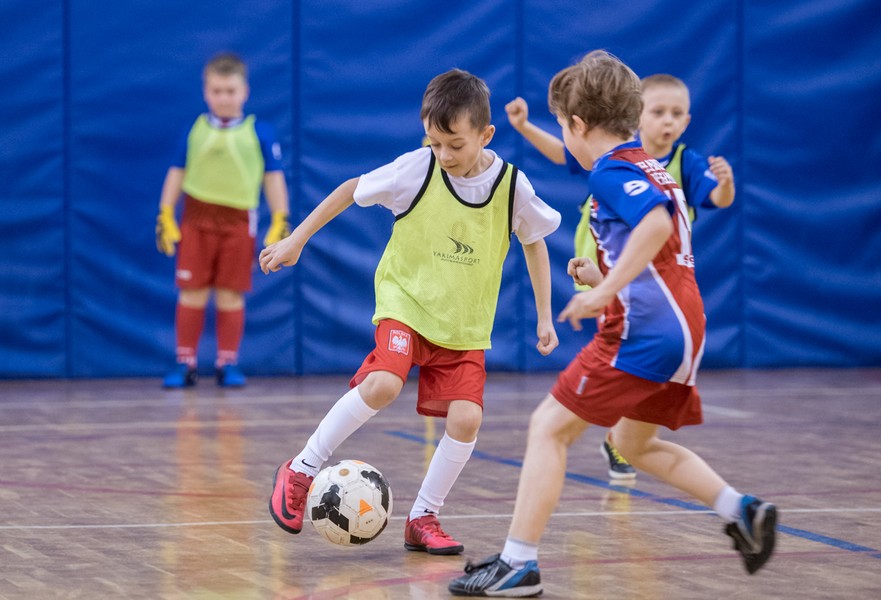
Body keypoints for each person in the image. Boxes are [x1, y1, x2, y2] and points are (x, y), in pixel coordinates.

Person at [450, 50, 776, 597]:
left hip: (644, 330)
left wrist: (603, 291)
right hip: (686, 326)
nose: (564, 136)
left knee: (548, 428)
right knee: (633, 443)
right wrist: (602, 273)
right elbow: (659, 253)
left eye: (561, 125)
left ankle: (517, 564)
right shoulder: (651, 165)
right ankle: (740, 510)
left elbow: (655, 224)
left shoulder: (611, 170)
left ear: (577, 125)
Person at [259, 69, 561, 555]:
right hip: (407, 303)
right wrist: (297, 239)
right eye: (435, 143)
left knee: (467, 419)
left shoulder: (511, 186)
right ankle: (301, 469)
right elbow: (350, 189)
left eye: (455, 145)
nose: (444, 155)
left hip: (463, 323)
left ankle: (423, 517)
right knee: (383, 383)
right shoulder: (418, 169)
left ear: (486, 135)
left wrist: (544, 316)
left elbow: (536, 242)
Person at [504, 73, 735, 481]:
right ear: (637, 116)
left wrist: (726, 184)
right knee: (625, 412)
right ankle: (726, 500)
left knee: (553, 423)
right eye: (658, 111)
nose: (667, 120)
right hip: (631, 281)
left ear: (687, 121)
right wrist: (524, 127)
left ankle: (616, 438)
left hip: (648, 290)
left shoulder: (663, 165)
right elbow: (565, 153)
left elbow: (691, 209)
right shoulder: (619, 161)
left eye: (676, 113)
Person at [156, 52, 291, 389]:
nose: (224, 98)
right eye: (217, 91)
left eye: (230, 91)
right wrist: (165, 212)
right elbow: (177, 171)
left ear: (244, 91)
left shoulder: (260, 132)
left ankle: (227, 362)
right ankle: (185, 362)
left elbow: (273, 178)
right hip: (196, 218)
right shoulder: (195, 130)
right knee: (192, 292)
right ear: (206, 92)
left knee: (231, 294)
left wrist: (280, 218)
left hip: (238, 221)